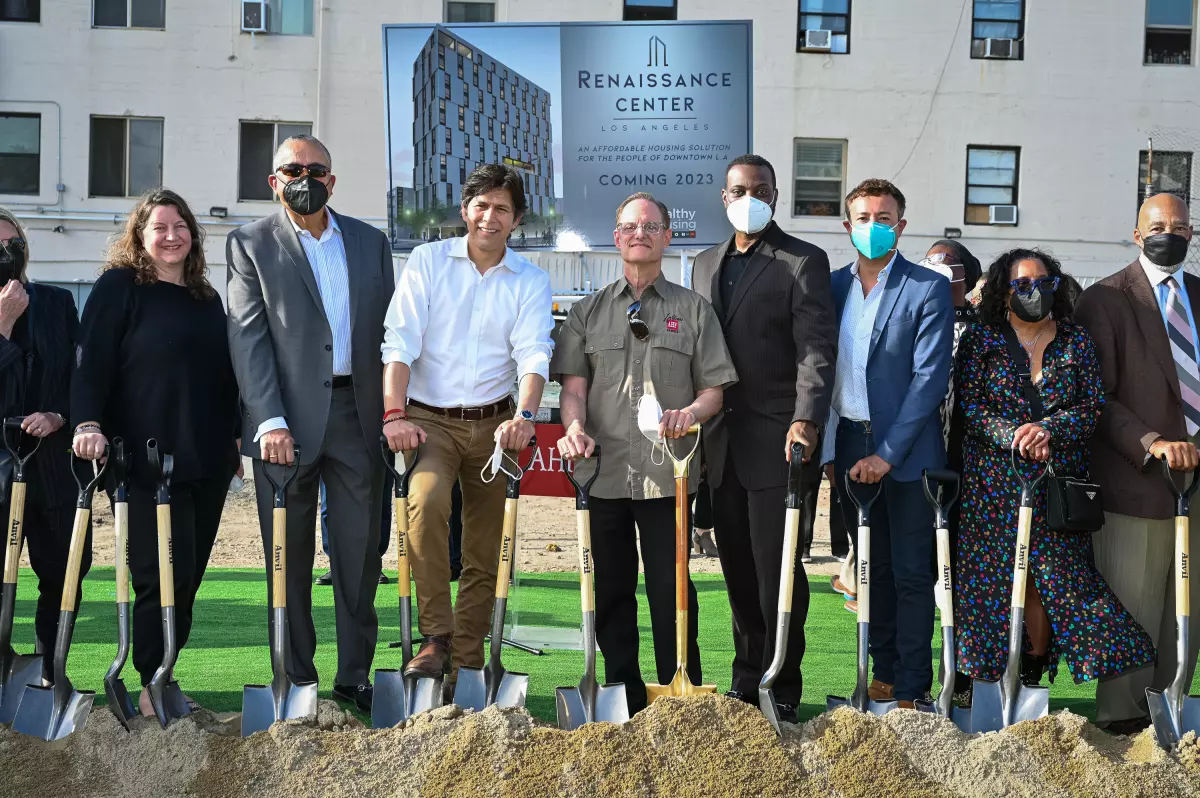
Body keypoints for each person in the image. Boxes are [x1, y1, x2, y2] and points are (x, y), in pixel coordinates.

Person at [552, 191, 738, 716]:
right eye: (630, 227)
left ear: (666, 236)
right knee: (611, 592)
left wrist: (692, 415)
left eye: (651, 226)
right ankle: (623, 698)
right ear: (616, 238)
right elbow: (572, 389)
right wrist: (572, 429)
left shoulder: (693, 310)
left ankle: (681, 699)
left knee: (671, 591)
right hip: (602, 473)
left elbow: (714, 391)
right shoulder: (586, 312)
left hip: (669, 475)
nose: (640, 234)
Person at [226, 135, 393, 712]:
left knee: (359, 554)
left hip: (358, 417)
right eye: (292, 169)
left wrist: (394, 411)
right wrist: (268, 418)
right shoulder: (249, 244)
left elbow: (391, 336)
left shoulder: (372, 243)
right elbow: (248, 337)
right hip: (283, 426)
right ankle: (295, 676)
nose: (304, 177)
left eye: (315, 169)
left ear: (333, 179)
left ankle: (354, 675)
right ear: (273, 181)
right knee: (287, 557)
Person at [954, 248, 1154, 707]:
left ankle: (1032, 672)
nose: (1034, 292)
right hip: (994, 482)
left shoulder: (1075, 340)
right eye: (1022, 284)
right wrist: (1014, 436)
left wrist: (1047, 429)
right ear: (1004, 291)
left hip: (1057, 481)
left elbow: (1090, 407)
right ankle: (974, 679)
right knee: (989, 584)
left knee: (1054, 579)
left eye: (1043, 283)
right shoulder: (982, 339)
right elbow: (971, 406)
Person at [382, 164, 553, 692]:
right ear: (465, 210)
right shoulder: (429, 262)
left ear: (517, 219)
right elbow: (400, 341)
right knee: (427, 502)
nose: (489, 217)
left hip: (498, 424)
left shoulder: (530, 279)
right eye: (481, 205)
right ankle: (436, 637)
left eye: (502, 208)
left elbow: (533, 353)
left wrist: (525, 417)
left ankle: (470, 658)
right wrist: (394, 413)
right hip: (429, 422)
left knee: (486, 543)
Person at [71, 190, 240, 714]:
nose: (172, 236)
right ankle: (150, 683)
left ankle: (166, 672)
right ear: (140, 238)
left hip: (206, 458)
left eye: (180, 226)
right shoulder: (119, 287)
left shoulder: (205, 298)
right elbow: (90, 360)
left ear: (194, 234)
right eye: (159, 227)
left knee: (186, 574)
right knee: (154, 572)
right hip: (144, 459)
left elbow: (224, 376)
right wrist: (88, 422)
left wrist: (234, 438)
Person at [689, 154, 836, 721]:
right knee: (736, 570)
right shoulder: (703, 264)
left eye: (759, 189)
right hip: (719, 445)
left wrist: (807, 417)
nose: (747, 197)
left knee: (777, 568)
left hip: (779, 440)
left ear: (774, 195)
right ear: (723, 198)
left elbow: (816, 349)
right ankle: (746, 678)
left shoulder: (802, 261)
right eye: (737, 189)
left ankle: (781, 681)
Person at [819, 178, 954, 709]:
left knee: (912, 574)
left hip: (909, 454)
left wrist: (887, 454)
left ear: (901, 223)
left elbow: (929, 380)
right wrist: (836, 450)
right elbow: (822, 371)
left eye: (884, 216)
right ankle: (883, 675)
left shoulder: (926, 288)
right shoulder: (830, 288)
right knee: (870, 570)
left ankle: (914, 686)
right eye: (863, 216)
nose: (873, 226)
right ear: (846, 225)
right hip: (851, 445)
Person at [1076, 192, 1200, 735]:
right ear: (1135, 233)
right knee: (1134, 610)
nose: (1167, 233)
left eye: (1178, 225)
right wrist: (1151, 441)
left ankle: (1170, 716)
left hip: (1196, 484)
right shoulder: (1104, 299)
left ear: (1191, 234)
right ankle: (1123, 730)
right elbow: (1092, 396)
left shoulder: (1198, 293)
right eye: (1157, 225)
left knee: (1185, 614)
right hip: (1137, 480)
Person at [0, 207, 82, 686]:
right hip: (1, 470)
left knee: (62, 574)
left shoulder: (55, 303)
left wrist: (61, 416)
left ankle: (53, 669)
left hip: (52, 468)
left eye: (13, 244)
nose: (6, 255)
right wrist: (4, 328)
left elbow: (79, 375)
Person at [918, 238, 983, 700]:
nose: (938, 271)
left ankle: (961, 679)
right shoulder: (919, 319)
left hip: (972, 474)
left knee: (963, 580)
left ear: (970, 277)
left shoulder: (985, 332)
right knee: (917, 574)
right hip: (920, 466)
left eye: (949, 265)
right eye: (931, 264)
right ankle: (909, 674)